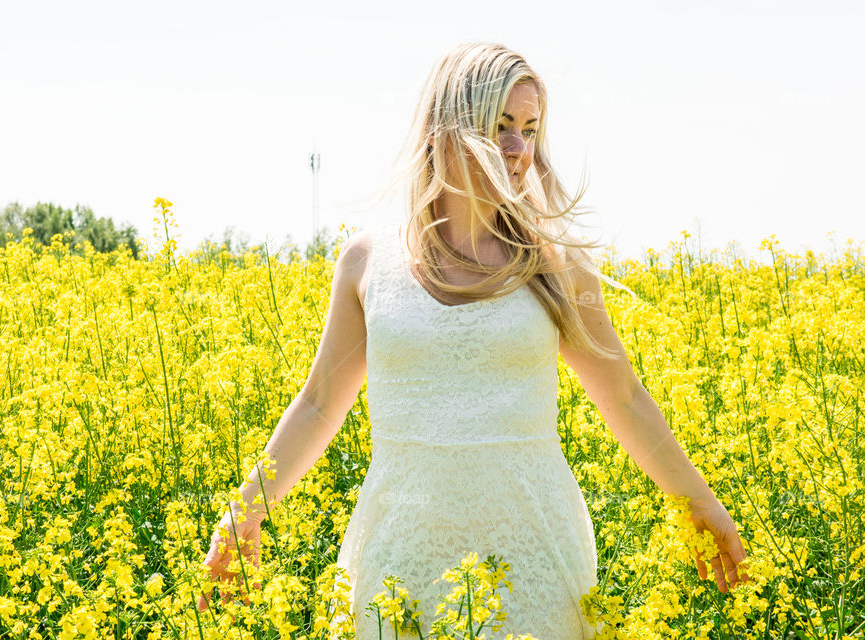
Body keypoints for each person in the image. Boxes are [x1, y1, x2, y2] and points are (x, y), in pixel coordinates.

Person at [197, 42, 751, 638]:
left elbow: (625, 399)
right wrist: (246, 507)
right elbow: (317, 404)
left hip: (533, 559)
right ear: (444, 131)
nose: (518, 150)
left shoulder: (557, 264)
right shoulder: (367, 262)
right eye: (499, 127)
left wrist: (699, 503)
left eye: (529, 129)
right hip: (398, 556)